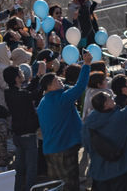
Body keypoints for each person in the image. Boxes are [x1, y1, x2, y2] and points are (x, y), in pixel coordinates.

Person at [38, 59, 92, 191]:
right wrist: (87, 65)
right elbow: (80, 87)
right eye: (57, 80)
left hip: (51, 149)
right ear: (49, 87)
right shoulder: (61, 99)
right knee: (69, 185)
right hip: (64, 149)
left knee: (56, 185)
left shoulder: (44, 101)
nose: (60, 80)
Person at [83, 80, 127, 191]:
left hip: (99, 171)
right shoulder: (119, 117)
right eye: (110, 98)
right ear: (106, 104)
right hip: (120, 169)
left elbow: (87, 146)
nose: (113, 98)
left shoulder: (88, 123)